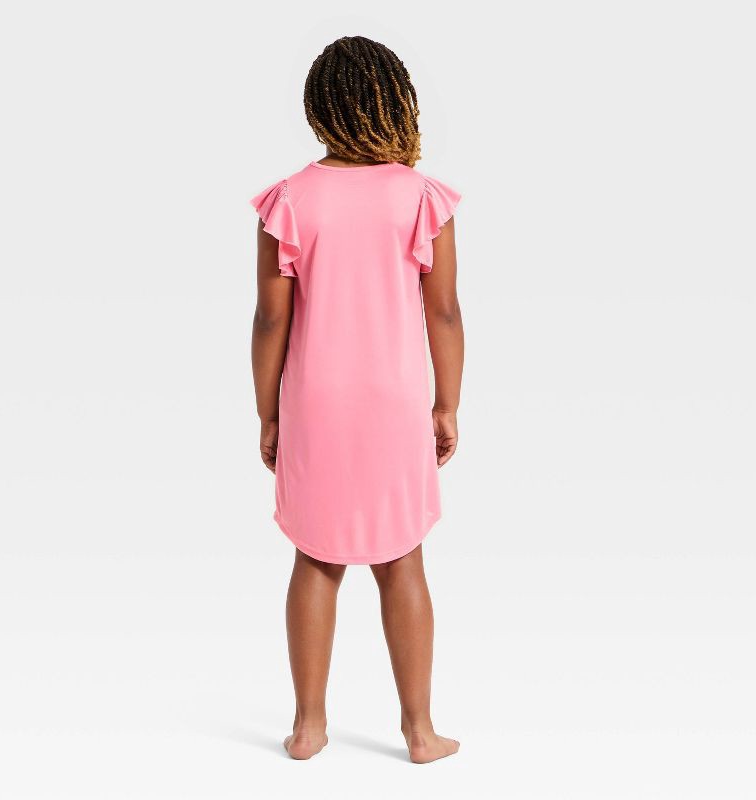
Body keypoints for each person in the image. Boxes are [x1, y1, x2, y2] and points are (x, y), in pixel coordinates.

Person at [250, 35, 464, 764]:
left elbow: (271, 318)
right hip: (396, 401)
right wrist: (447, 404)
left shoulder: (289, 201)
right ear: (394, 99)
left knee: (316, 558)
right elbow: (444, 312)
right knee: (402, 558)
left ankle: (308, 727)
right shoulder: (421, 198)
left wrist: (268, 412)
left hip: (317, 402)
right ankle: (420, 731)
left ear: (319, 108)